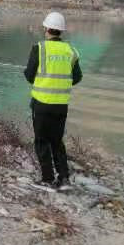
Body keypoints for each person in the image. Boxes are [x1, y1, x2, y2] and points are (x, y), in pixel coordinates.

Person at [23, 12, 82, 189]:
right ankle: (63, 178)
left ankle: (47, 179)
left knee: (41, 141)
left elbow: (29, 75)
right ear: (61, 30)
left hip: (41, 104)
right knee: (57, 141)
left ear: (47, 28)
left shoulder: (39, 48)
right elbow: (77, 77)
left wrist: (43, 81)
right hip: (61, 106)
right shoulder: (71, 51)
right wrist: (60, 84)